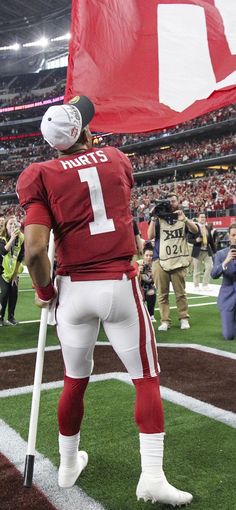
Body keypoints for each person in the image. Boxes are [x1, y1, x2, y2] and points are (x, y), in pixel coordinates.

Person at [17, 96, 192, 506]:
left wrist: (45, 292)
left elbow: (34, 252)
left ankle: (65, 464)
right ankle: (151, 476)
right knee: (145, 378)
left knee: (74, 380)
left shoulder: (38, 174)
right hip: (117, 284)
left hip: (73, 290)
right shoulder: (115, 157)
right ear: (84, 133)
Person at [147, 193, 198, 331]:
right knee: (162, 294)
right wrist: (153, 217)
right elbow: (150, 236)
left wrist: (185, 219)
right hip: (159, 259)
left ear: (178, 202)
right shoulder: (157, 218)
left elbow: (196, 230)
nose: (170, 204)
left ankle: (183, 318)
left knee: (180, 293)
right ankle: (165, 321)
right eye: (167, 201)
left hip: (178, 259)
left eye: (173, 201)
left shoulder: (182, 217)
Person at [211, 223, 236, 340]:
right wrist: (226, 261)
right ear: (229, 236)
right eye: (233, 235)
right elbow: (214, 274)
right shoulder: (221, 254)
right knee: (228, 336)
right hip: (228, 296)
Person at [0, 215, 24, 326]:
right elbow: (4, 251)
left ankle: (11, 317)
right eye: (10, 223)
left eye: (15, 223)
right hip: (2, 271)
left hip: (13, 271)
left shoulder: (22, 238)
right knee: (4, 293)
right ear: (6, 226)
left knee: (13, 292)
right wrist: (13, 238)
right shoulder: (2, 238)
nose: (12, 225)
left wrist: (15, 274)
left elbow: (20, 257)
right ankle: (0, 317)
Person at [192, 212, 216, 291]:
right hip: (197, 250)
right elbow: (188, 238)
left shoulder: (207, 227)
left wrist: (215, 251)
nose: (203, 218)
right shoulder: (194, 227)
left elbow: (211, 241)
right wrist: (196, 240)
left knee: (210, 267)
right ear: (198, 218)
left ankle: (205, 284)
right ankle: (196, 286)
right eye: (201, 217)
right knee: (197, 269)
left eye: (204, 217)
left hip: (206, 250)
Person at [138, 243, 157, 322]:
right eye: (147, 255)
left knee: (152, 292)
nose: (149, 257)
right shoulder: (138, 263)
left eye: (151, 255)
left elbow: (156, 282)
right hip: (138, 288)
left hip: (149, 288)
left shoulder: (156, 265)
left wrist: (154, 273)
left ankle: (151, 314)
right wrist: (138, 272)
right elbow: (135, 281)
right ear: (143, 255)